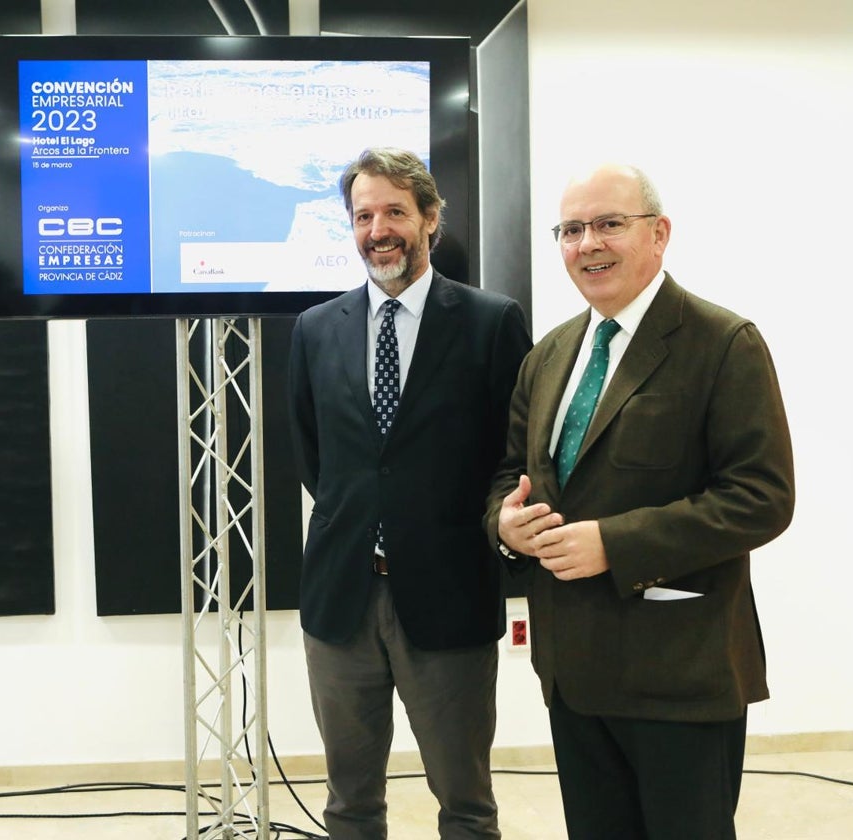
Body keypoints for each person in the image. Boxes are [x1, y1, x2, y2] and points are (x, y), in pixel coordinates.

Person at [486, 163, 795, 839]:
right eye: (571, 229)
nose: (588, 243)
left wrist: (614, 544)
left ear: (659, 235)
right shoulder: (549, 357)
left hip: (679, 673)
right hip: (573, 672)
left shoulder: (723, 343)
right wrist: (508, 526)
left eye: (608, 224)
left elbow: (761, 498)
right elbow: (508, 475)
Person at [288, 147, 532, 839]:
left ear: (430, 219)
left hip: (449, 597)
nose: (378, 229)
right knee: (349, 805)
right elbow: (318, 458)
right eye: (363, 215)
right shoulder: (314, 331)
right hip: (340, 602)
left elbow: (512, 457)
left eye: (395, 211)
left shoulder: (492, 322)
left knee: (466, 804)